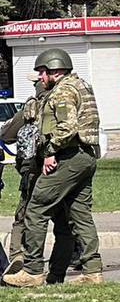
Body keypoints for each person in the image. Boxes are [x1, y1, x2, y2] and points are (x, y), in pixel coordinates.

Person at [4, 48, 103, 287]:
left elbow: (67, 127)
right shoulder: (80, 86)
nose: (40, 77)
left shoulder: (63, 92)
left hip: (69, 157)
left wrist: (50, 152)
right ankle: (92, 271)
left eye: (42, 72)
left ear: (55, 71)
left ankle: (33, 270)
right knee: (80, 215)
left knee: (36, 208)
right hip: (85, 157)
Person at [1, 73, 78, 283]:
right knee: (64, 222)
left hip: (35, 170)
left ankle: (21, 261)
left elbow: (7, 134)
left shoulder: (34, 106)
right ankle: (58, 272)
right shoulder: (69, 99)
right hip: (65, 170)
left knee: (25, 216)